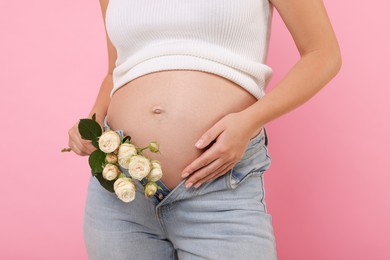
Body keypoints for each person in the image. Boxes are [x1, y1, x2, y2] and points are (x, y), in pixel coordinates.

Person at [67, 0, 341, 259]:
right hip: (121, 189)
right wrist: (91, 123)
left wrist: (249, 121)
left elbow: (323, 53)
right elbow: (116, 69)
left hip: (219, 188)